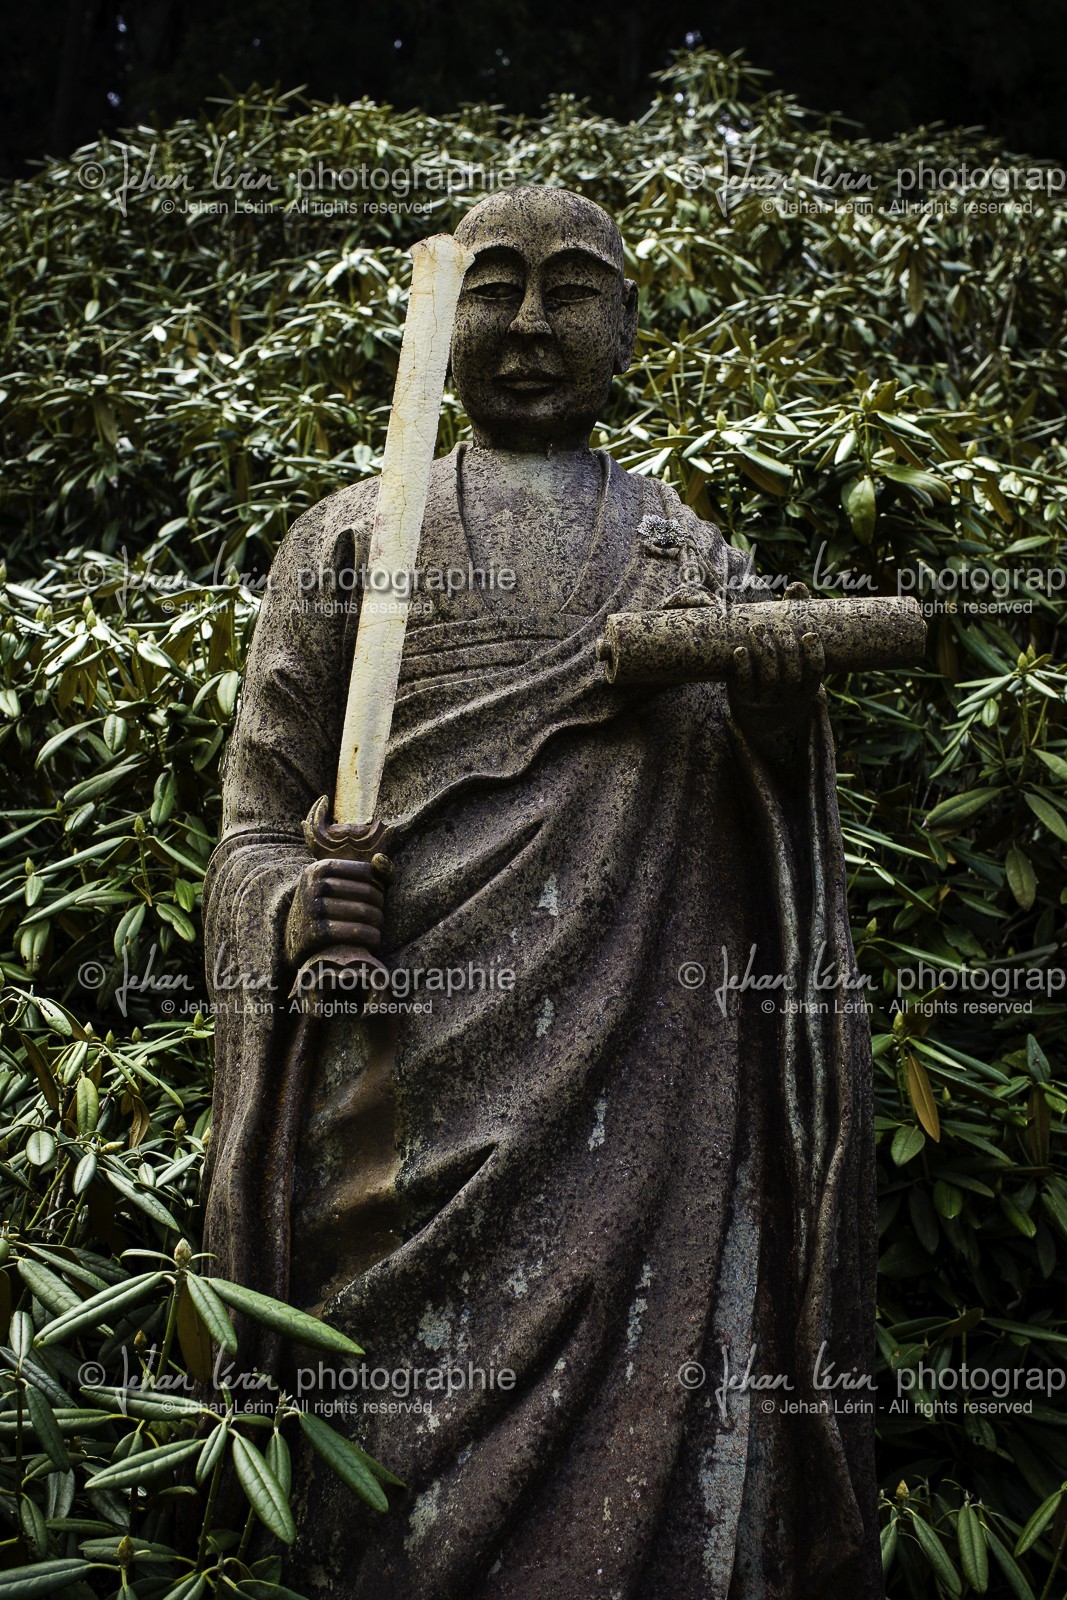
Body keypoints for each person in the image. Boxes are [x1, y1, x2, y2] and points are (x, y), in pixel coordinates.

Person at [203, 186, 883, 1598]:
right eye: (492, 287)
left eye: (568, 289)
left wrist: (767, 721)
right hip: (396, 1119)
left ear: (626, 327)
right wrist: (284, 911)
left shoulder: (684, 558)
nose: (525, 324)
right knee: (384, 1508)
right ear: (442, 323)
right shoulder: (351, 543)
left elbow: (762, 843)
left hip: (649, 1113)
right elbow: (255, 826)